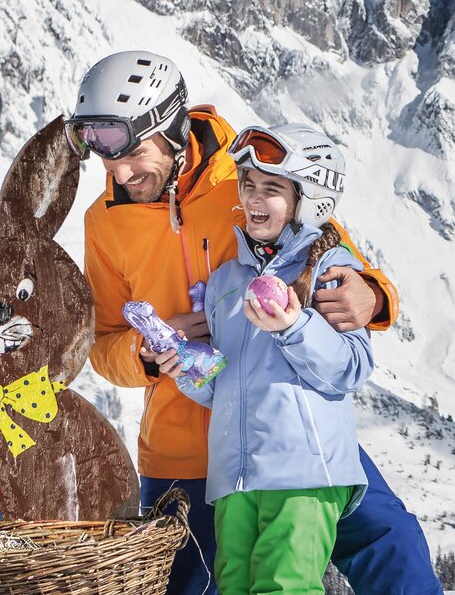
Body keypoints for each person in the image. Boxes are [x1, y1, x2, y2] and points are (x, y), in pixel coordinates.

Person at [69, 51, 438, 595]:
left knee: (393, 550)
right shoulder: (104, 223)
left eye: (135, 155)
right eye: (108, 162)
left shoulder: (247, 180)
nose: (121, 174)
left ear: (171, 129)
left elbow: (329, 251)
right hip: (184, 450)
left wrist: (376, 297)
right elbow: (100, 346)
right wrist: (143, 356)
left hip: (292, 426)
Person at [150, 122, 373, 595]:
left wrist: (294, 327)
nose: (253, 198)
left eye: (271, 189)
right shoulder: (226, 282)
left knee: (284, 586)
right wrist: (186, 369)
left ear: (310, 200)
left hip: (303, 473)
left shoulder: (328, 270)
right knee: (233, 587)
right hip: (235, 478)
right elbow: (223, 389)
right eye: (248, 184)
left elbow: (351, 369)